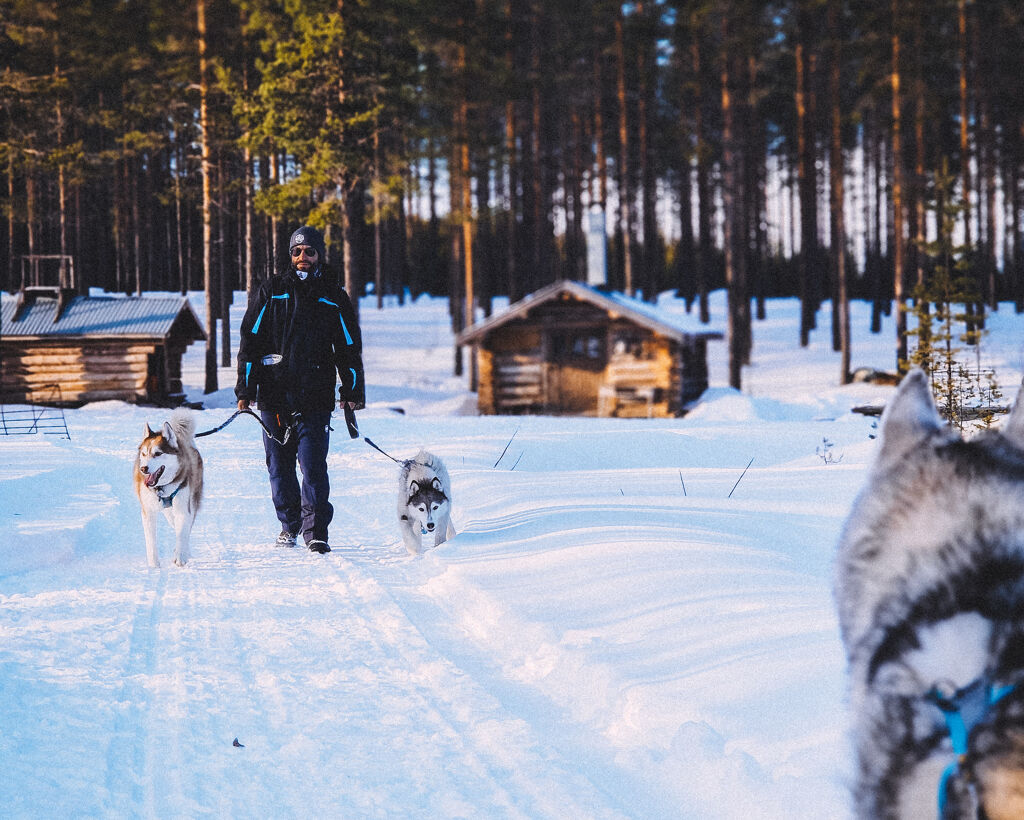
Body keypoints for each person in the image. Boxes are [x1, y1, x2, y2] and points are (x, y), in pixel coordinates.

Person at [235, 225, 364, 554]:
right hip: (274, 396)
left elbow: (349, 346)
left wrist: (351, 390)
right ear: (289, 255)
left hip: (315, 397)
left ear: (319, 254)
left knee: (312, 466)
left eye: (309, 251)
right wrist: (245, 389)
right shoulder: (273, 290)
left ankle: (316, 531)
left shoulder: (333, 295)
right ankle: (289, 524)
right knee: (279, 467)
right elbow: (250, 340)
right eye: (296, 251)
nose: (302, 257)